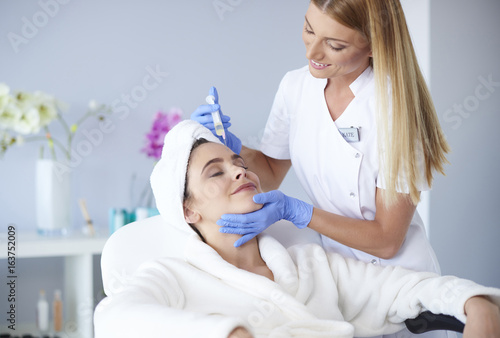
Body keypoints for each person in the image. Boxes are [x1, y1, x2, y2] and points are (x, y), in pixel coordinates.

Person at [94, 120, 500, 338]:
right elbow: (114, 318)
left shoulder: (310, 263)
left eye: (238, 161)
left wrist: (475, 303)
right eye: (215, 172)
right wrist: (226, 333)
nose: (238, 169)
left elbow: (400, 288)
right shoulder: (173, 276)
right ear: (188, 211)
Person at [193, 0, 447, 313]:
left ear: (373, 46)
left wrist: (297, 211)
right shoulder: (296, 87)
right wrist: (232, 145)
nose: (312, 53)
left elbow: (387, 239)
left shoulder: (395, 109)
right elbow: (270, 170)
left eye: (335, 45)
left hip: (401, 286)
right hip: (338, 280)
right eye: (309, 30)